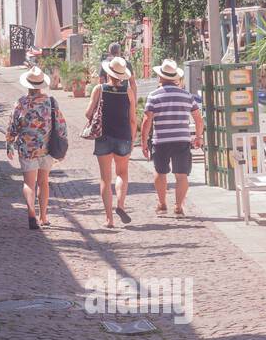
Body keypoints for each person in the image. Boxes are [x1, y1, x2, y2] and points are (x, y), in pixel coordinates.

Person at [140, 59, 204, 218]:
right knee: (181, 175)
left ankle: (162, 205)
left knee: (160, 172)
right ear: (175, 77)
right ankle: (178, 206)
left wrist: (143, 143)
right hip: (182, 140)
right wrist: (198, 137)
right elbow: (198, 118)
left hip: (161, 140)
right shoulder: (187, 95)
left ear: (160, 77)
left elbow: (147, 120)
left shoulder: (153, 95)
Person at [6, 64, 67, 230]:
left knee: (29, 184)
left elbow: (13, 125)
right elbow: (61, 125)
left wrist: (9, 143)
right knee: (44, 182)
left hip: (27, 149)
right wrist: (63, 147)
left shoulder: (21, 103)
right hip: (46, 149)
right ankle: (44, 217)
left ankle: (31, 212)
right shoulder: (51, 102)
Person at [86, 55, 137, 228]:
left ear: (108, 73)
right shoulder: (128, 91)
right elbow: (132, 119)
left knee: (105, 179)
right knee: (122, 173)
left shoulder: (99, 89)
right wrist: (133, 137)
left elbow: (88, 112)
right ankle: (120, 205)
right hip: (123, 136)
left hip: (103, 136)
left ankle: (109, 219)